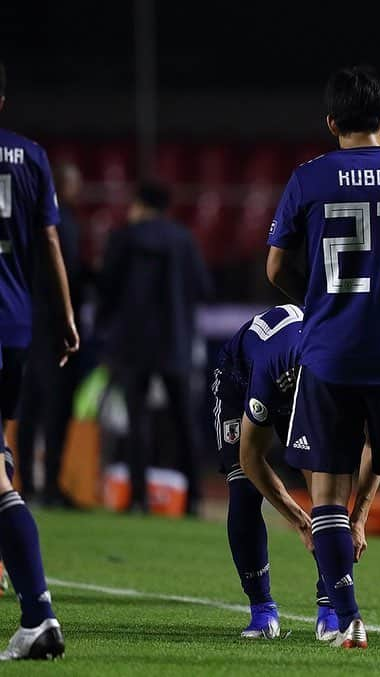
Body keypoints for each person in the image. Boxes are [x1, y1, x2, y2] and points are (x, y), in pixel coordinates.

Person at [262, 66, 380, 652]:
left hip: (329, 355)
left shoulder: (307, 179)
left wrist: (322, 306)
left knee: (327, 490)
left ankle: (348, 622)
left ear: (331, 123)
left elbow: (275, 269)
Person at [214, 303, 380, 641]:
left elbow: (377, 443)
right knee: (244, 488)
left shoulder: (361, 371)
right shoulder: (274, 370)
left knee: (326, 487)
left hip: (305, 378)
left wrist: (359, 518)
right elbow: (251, 458)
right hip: (242, 374)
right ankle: (262, 610)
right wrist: (300, 522)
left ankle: (329, 606)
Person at [0, 61, 78, 660]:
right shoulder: (31, 157)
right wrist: (66, 315)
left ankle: (38, 612)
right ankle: (32, 609)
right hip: (16, 326)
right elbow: (50, 240)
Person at [97, 181, 211, 514]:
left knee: (137, 421)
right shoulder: (184, 240)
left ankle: (137, 499)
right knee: (184, 422)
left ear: (140, 205)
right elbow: (203, 288)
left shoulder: (124, 238)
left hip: (132, 344)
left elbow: (107, 289)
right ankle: (194, 499)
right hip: (176, 342)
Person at [17, 162, 83, 507]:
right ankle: (48, 486)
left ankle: (27, 483)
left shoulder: (26, 224)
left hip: (27, 329)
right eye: (74, 184)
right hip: (54, 331)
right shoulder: (61, 226)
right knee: (52, 411)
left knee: (30, 408)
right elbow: (68, 280)